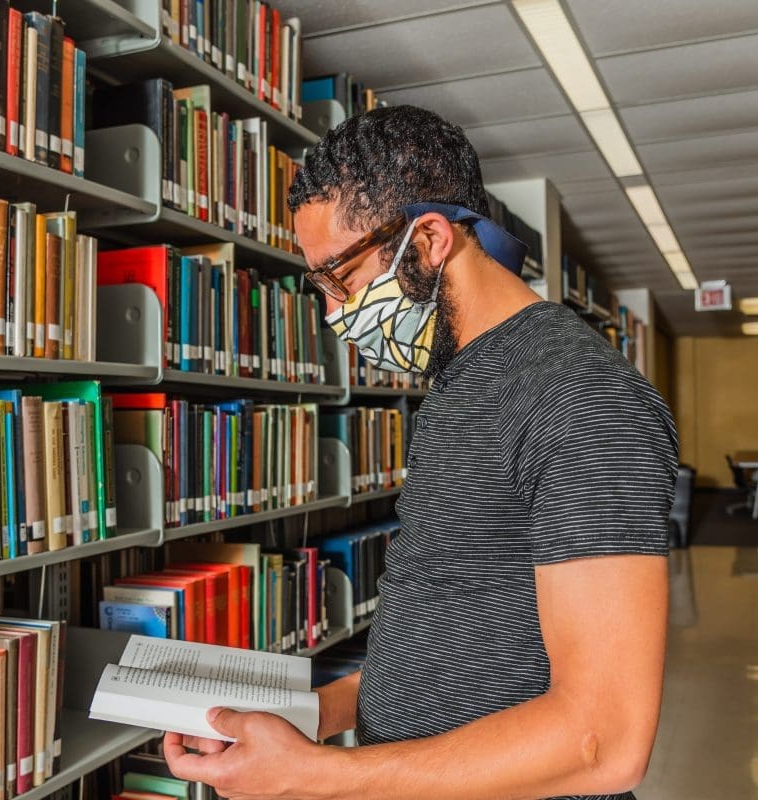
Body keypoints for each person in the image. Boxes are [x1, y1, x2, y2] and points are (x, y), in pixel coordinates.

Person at [163, 105, 677, 800]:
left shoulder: (579, 398)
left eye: (339, 277)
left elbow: (603, 741)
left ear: (429, 239)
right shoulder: (460, 380)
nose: (333, 311)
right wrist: (310, 717)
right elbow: (453, 620)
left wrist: (316, 777)